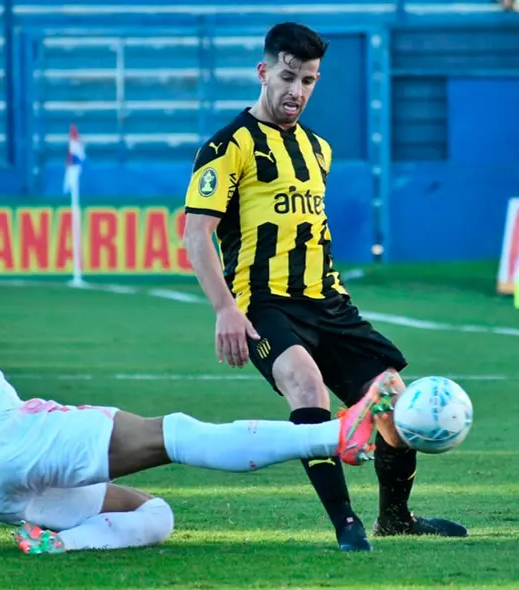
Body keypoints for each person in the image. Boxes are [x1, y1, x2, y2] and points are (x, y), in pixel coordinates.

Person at [0, 205, 394, 556]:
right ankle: (331, 435)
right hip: (9, 437)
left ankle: (58, 545)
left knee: (154, 516)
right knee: (173, 433)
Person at [181, 22, 468, 552]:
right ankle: (346, 524)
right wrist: (225, 309)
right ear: (264, 72)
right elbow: (195, 233)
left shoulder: (318, 149)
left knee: (394, 408)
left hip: (329, 303)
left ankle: (396, 518)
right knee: (306, 387)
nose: (298, 91)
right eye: (288, 77)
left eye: (309, 81)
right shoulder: (228, 146)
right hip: (264, 304)